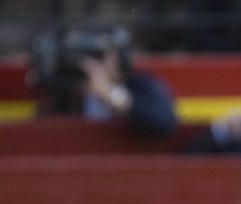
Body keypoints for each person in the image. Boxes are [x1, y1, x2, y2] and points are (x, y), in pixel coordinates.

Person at [27, 25, 177, 138]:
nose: (91, 63)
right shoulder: (67, 92)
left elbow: (163, 121)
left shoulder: (140, 84)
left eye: (99, 56)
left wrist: (110, 94)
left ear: (119, 58)